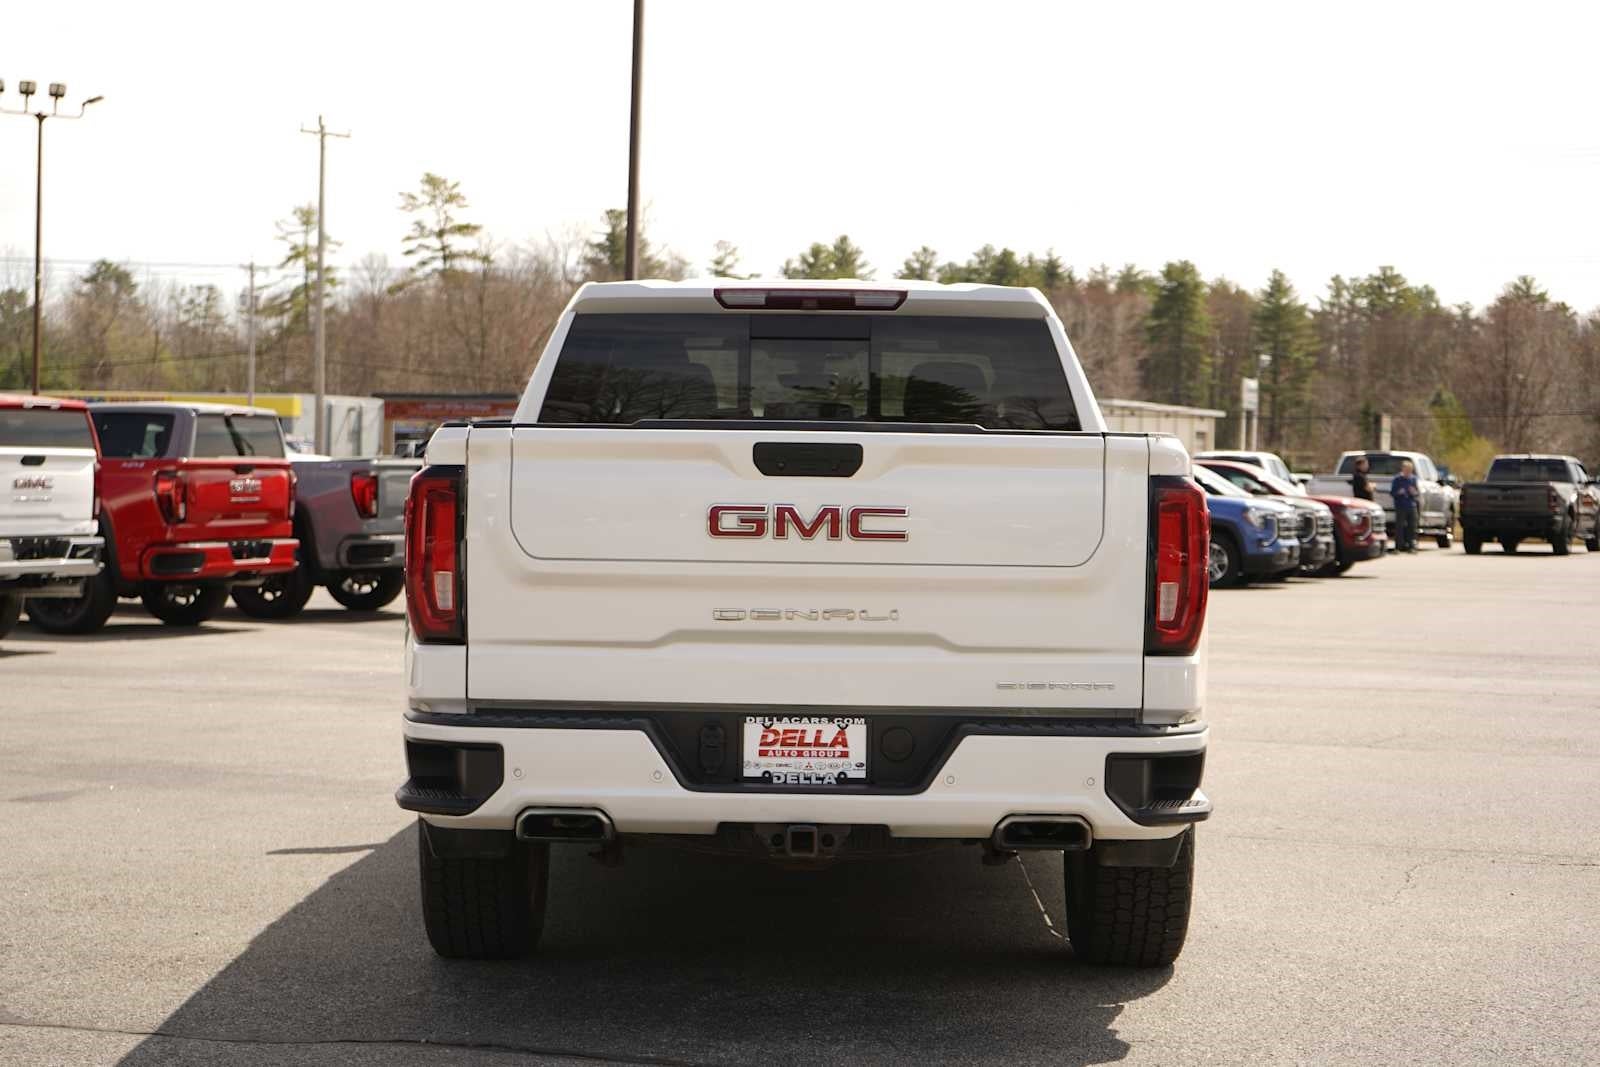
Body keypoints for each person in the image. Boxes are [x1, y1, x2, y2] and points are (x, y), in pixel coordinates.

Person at [1391, 459, 1421, 552]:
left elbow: (1417, 493)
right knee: (1399, 526)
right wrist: (1399, 492)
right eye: (1407, 470)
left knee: (1412, 527)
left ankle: (1411, 546)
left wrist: (1414, 492)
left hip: (1411, 505)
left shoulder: (1413, 479)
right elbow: (1392, 493)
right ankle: (1398, 547)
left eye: (1410, 470)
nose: (1408, 472)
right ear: (1403, 469)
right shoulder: (1397, 479)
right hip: (1400, 505)